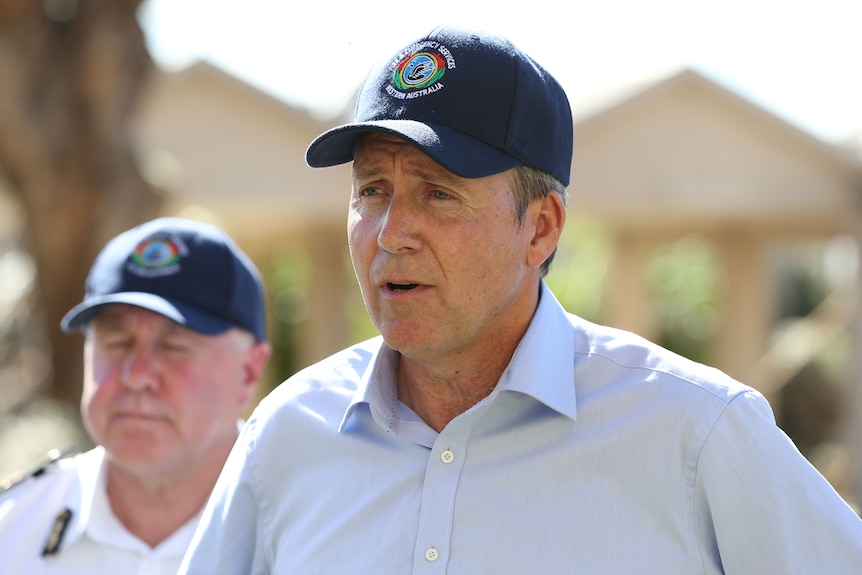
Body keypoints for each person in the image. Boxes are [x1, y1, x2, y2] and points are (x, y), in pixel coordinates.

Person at [179, 26, 862, 574]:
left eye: (437, 193)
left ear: (541, 227)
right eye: (371, 191)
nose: (390, 233)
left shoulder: (699, 433)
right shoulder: (288, 434)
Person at [0, 217, 271, 574]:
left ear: (248, 371)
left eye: (174, 344)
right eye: (116, 341)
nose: (136, 375)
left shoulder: (303, 533)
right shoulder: (13, 528)